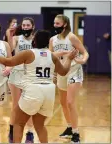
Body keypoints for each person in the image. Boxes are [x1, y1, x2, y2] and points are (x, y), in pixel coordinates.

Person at [0, 30, 78, 143]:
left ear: (35, 40)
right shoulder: (52, 56)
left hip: (34, 90)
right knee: (40, 125)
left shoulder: (29, 53)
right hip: (49, 92)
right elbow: (63, 71)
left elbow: (7, 61)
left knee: (18, 123)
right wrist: (69, 59)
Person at [49, 14, 89, 143]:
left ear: (64, 24)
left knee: (70, 102)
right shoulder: (52, 40)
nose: (55, 25)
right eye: (54, 23)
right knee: (63, 103)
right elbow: (50, 56)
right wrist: (54, 74)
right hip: (61, 71)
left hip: (74, 70)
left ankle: (76, 133)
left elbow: (85, 52)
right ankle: (70, 127)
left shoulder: (71, 37)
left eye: (58, 23)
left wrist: (82, 60)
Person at [7, 17, 35, 143]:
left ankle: (30, 133)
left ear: (32, 27)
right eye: (23, 25)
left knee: (29, 106)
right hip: (16, 73)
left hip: (30, 74)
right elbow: (10, 49)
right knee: (16, 105)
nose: (25, 27)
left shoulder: (36, 39)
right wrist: (9, 34)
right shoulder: (17, 38)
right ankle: (12, 131)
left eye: (28, 25)